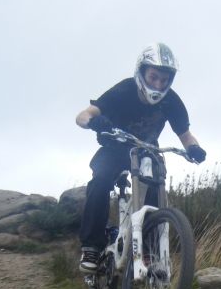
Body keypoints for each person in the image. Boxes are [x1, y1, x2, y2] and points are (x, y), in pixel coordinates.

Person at [76, 43, 206, 273]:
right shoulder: (124, 90)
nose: (158, 84)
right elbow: (83, 115)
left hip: (147, 151)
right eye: (153, 77)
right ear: (142, 72)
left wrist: (194, 148)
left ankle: (148, 250)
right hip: (115, 149)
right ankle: (91, 248)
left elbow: (185, 135)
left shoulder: (172, 101)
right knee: (101, 180)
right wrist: (94, 121)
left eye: (164, 80)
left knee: (156, 192)